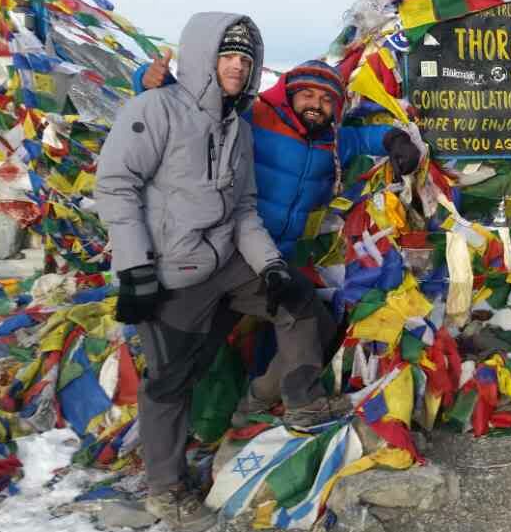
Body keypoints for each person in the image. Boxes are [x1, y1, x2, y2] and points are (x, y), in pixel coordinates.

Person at [96, 14, 351, 532]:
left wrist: (273, 268)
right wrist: (135, 268)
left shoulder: (237, 126)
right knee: (170, 380)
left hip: (225, 261)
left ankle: (302, 404)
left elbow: (244, 209)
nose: (236, 66)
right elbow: (116, 186)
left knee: (299, 303)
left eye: (245, 59)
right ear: (204, 57)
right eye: (228, 56)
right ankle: (165, 490)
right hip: (171, 270)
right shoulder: (156, 109)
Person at [133, 55, 422, 425]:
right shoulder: (252, 118)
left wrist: (395, 139)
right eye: (308, 95)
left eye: (327, 99)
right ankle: (178, 442)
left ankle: (256, 401)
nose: (316, 105)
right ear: (289, 93)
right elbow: (193, 111)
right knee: (193, 356)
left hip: (270, 265)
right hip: (219, 256)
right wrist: (147, 79)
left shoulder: (331, 142)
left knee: (317, 326)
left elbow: (364, 136)